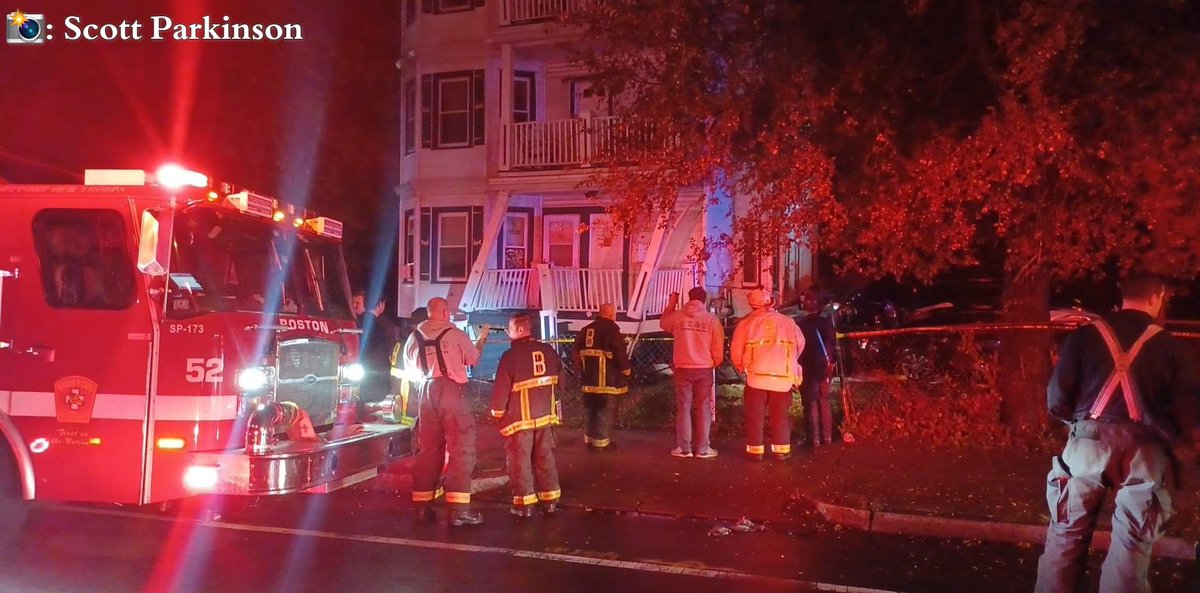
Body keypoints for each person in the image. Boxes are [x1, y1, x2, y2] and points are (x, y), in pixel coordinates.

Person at [1035, 275, 1197, 593]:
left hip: (1086, 446)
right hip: (1144, 452)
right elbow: (1188, 410)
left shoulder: (1084, 338)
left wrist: (1081, 427)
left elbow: (1057, 399)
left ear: (1123, 297)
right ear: (1158, 297)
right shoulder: (1170, 347)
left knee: (1066, 536)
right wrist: (1181, 442)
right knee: (1132, 546)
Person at [402, 297, 489, 527]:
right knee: (461, 448)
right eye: (448, 312)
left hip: (425, 393)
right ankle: (459, 510)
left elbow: (410, 373)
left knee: (429, 450)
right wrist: (481, 339)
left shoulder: (413, 338)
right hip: (452, 392)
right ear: (443, 312)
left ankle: (422, 507)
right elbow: (474, 359)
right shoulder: (455, 334)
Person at [490, 313, 563, 518]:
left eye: (510, 329)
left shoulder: (510, 356)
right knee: (545, 456)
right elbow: (561, 380)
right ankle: (550, 501)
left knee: (519, 459)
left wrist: (498, 413)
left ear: (520, 330)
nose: (508, 332)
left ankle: (525, 505)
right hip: (545, 416)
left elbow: (501, 390)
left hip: (520, 419)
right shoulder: (548, 350)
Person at [730, 288, 805, 461]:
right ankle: (781, 451)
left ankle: (755, 451)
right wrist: (788, 362)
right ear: (772, 302)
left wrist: (743, 367)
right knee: (780, 416)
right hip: (783, 379)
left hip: (756, 378)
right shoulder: (788, 322)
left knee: (755, 416)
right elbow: (800, 345)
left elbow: (736, 351)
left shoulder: (746, 324)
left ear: (751, 304)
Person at [660, 287, 725, 459]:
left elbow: (663, 323)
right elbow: (718, 350)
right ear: (705, 300)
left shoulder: (678, 316)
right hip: (704, 368)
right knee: (703, 408)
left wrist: (672, 304)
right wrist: (712, 363)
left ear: (689, 298)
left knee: (684, 408)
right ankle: (703, 449)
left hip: (682, 367)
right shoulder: (711, 320)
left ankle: (684, 448)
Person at [573, 303, 631, 452]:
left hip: (588, 380)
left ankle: (589, 438)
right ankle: (601, 443)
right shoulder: (612, 331)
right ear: (611, 314)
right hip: (607, 381)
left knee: (591, 409)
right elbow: (620, 354)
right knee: (603, 411)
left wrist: (580, 369)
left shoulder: (586, 330)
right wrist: (626, 370)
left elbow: (576, 351)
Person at [797, 292, 837, 447]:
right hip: (825, 366)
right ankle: (827, 437)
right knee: (824, 400)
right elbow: (832, 344)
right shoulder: (827, 324)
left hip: (808, 368)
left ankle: (814, 439)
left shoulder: (800, 326)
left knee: (811, 402)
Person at [353, 291, 398, 405]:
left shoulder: (357, 322)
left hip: (367, 379)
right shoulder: (384, 324)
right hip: (377, 380)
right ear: (381, 305)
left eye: (357, 303)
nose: (354, 307)